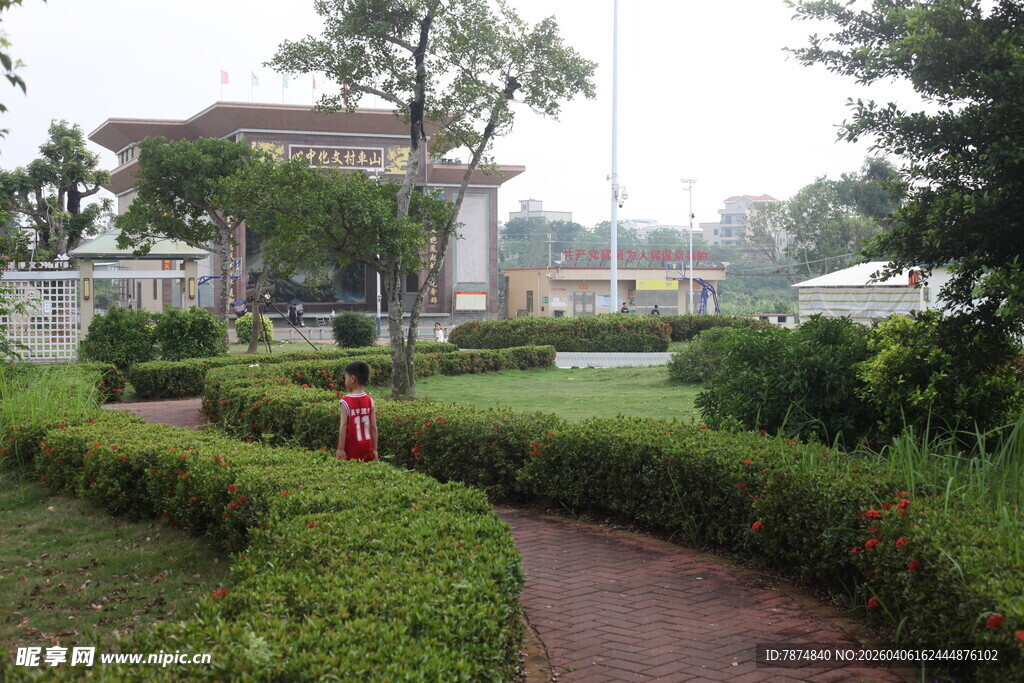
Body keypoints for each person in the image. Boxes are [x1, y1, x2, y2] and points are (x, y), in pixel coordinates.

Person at [336, 360, 378, 462]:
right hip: (368, 447)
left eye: (346, 378)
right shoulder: (369, 400)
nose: (345, 381)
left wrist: (341, 449)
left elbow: (344, 426)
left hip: (352, 448)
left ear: (352, 379)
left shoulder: (345, 401)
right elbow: (374, 427)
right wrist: (375, 449)